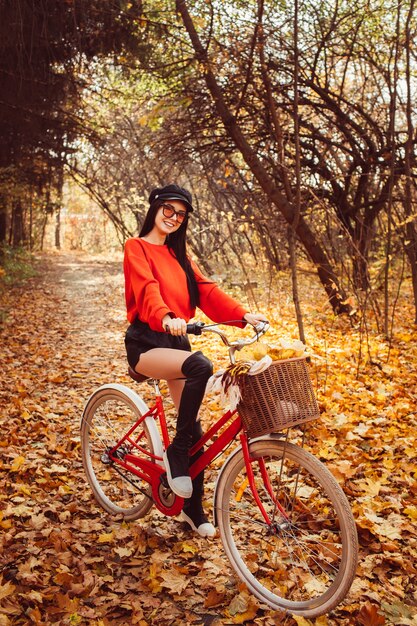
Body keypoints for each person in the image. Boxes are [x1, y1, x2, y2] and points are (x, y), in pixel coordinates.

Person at [123, 184, 267, 538]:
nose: (173, 218)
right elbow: (146, 290)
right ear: (155, 209)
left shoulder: (180, 257)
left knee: (197, 431)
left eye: (180, 214)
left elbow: (206, 291)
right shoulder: (136, 246)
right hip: (147, 341)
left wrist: (244, 315)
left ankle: (192, 509)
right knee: (201, 365)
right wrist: (166, 316)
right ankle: (176, 452)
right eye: (167, 210)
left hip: (177, 339)